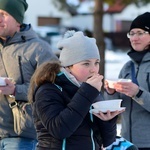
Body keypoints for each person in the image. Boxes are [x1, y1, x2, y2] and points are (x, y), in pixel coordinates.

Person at [28, 30, 124, 150]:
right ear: (68, 66)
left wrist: (107, 121)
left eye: (96, 63)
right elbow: (59, 130)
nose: (93, 69)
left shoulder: (89, 90)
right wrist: (88, 92)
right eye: (86, 64)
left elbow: (106, 141)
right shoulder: (48, 90)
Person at [0, 0, 58, 149]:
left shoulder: (39, 49)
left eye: (4, 14)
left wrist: (15, 90)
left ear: (18, 19)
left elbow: (54, 91)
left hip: (21, 138)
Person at [105, 12, 150, 150]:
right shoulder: (127, 67)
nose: (134, 38)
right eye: (132, 33)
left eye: (140, 33)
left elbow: (138, 95)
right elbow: (117, 107)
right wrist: (111, 92)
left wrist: (137, 92)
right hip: (126, 144)